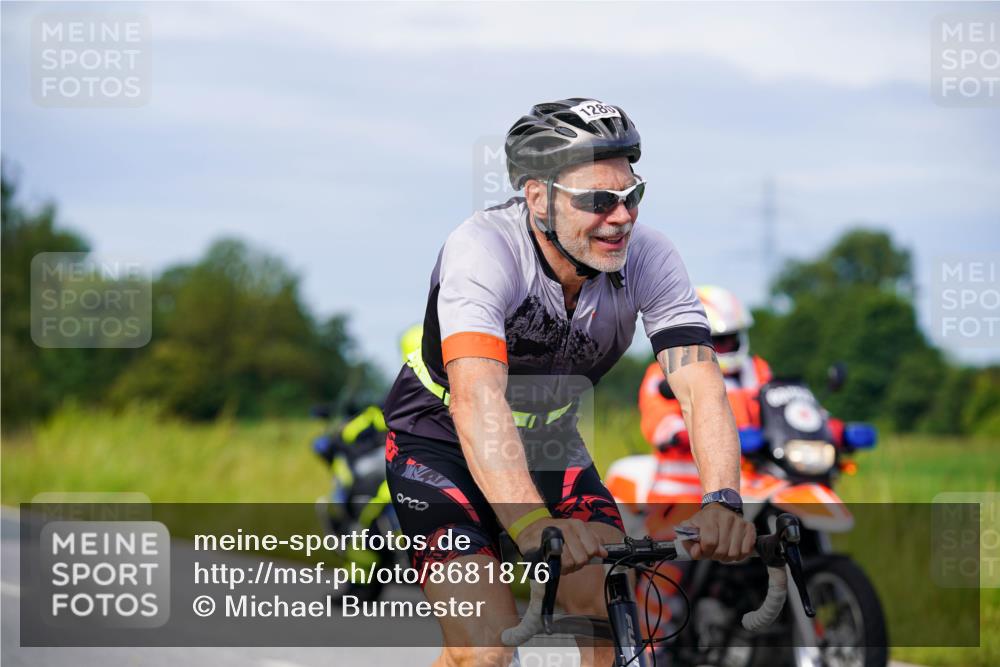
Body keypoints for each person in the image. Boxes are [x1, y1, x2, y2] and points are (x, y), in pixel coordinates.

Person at [382, 98, 755, 667]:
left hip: (551, 443)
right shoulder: (483, 249)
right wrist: (529, 522)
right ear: (538, 198)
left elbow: (699, 385)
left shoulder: (649, 256)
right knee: (485, 648)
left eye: (632, 196)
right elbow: (477, 397)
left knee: (612, 622)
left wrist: (722, 499)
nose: (622, 217)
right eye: (598, 201)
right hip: (440, 438)